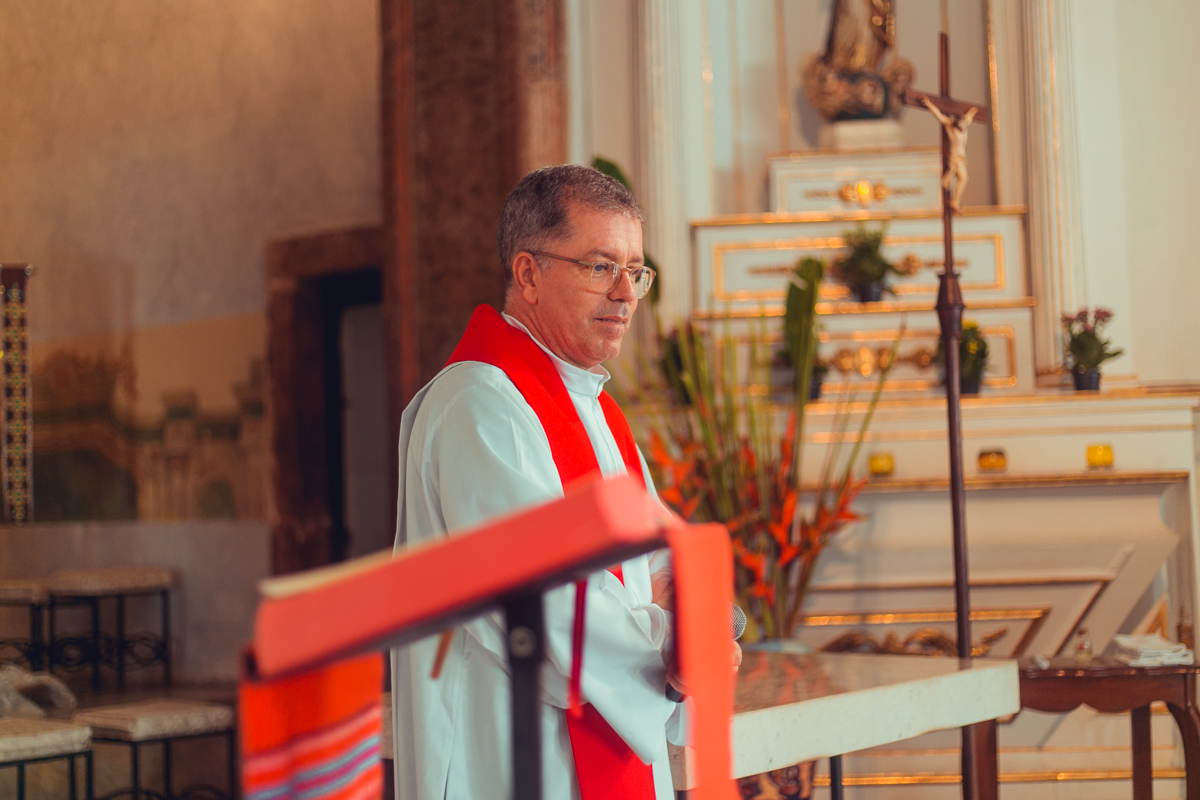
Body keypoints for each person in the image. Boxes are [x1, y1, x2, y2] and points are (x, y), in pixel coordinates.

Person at [390, 164, 738, 800]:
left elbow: (657, 550)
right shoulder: (480, 402)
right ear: (528, 274)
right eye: (600, 266)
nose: (626, 292)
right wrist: (669, 646)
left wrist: (698, 619)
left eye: (636, 270)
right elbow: (539, 594)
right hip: (507, 756)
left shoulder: (594, 404)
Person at [923, 96, 979, 212]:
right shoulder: (950, 126)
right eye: (961, 122)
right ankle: (954, 202)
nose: (963, 123)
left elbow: (969, 118)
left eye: (964, 122)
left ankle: (954, 201)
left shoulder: (963, 127)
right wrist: (929, 104)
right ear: (956, 121)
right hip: (955, 158)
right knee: (963, 178)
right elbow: (938, 115)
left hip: (962, 158)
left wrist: (972, 112)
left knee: (962, 179)